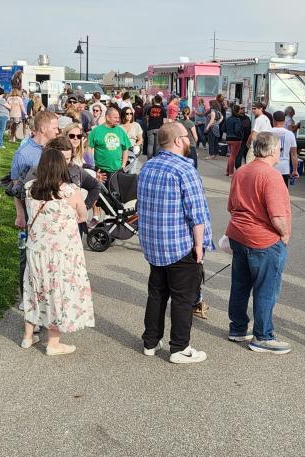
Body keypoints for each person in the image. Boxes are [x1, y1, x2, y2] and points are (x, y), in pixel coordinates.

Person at [137, 122, 213, 364]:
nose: (190, 139)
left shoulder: (148, 166)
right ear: (178, 140)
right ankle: (180, 347)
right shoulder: (184, 169)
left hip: (154, 243)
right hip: (180, 244)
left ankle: (150, 341)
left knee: (157, 293)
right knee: (183, 298)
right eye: (187, 136)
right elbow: (197, 214)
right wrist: (199, 246)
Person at [20, 149, 94, 355]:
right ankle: (53, 342)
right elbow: (82, 215)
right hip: (62, 254)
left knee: (34, 290)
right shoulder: (71, 192)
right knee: (57, 293)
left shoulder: (29, 189)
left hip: (36, 251)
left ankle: (28, 336)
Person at [226, 131, 293, 354]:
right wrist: (284, 234)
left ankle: (237, 327)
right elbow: (276, 216)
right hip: (263, 239)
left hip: (239, 234)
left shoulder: (241, 171)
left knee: (240, 284)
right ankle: (263, 336)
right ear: (274, 150)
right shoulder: (272, 176)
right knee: (266, 288)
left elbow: (231, 205)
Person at [9, 111, 60, 296]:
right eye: (55, 127)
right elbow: (15, 187)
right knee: (28, 255)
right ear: (44, 128)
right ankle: (26, 296)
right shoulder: (24, 153)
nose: (57, 130)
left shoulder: (54, 149)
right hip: (32, 214)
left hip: (52, 214)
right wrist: (20, 214)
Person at [87, 107, 130, 175]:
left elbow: (125, 149)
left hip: (117, 171)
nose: (118, 120)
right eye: (115, 118)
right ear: (107, 117)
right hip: (100, 171)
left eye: (118, 118)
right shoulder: (96, 131)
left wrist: (123, 166)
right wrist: (91, 167)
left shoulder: (121, 131)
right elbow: (89, 149)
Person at [268, 111, 299, 187]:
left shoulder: (267, 132)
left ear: (273, 120)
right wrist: (295, 170)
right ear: (284, 121)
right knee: (283, 193)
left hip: (269, 167)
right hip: (284, 168)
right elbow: (294, 154)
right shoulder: (290, 134)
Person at [224, 105, 247, 176]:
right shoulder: (237, 120)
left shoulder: (228, 119)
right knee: (233, 156)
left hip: (228, 138)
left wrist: (229, 132)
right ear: (238, 111)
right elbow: (237, 130)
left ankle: (228, 171)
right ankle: (231, 172)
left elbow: (223, 128)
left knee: (231, 155)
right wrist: (241, 135)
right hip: (236, 139)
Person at [120, 106, 143, 172]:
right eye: (127, 114)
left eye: (131, 113)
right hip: (121, 151)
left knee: (131, 172)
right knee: (122, 171)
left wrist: (135, 146)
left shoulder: (136, 125)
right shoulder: (119, 127)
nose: (129, 115)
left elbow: (140, 139)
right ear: (123, 115)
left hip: (132, 151)